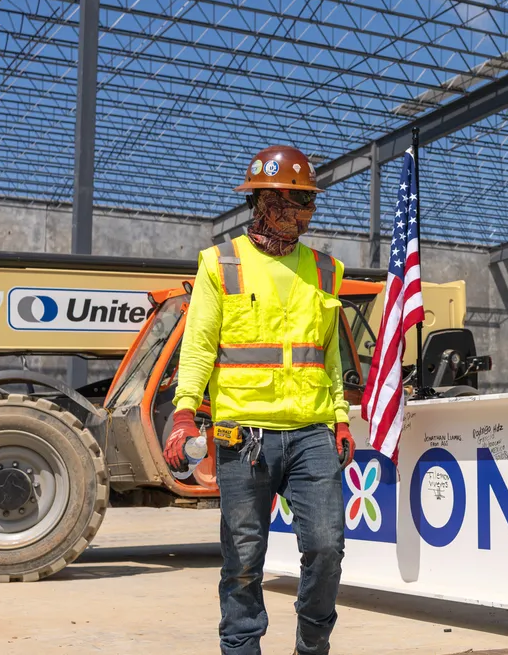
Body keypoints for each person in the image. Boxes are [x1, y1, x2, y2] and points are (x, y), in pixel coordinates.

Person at [164, 145, 357, 655]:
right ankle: (242, 648)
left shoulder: (324, 269)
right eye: (298, 201)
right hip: (243, 436)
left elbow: (329, 354)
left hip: (313, 433)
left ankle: (312, 646)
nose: (307, 213)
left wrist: (339, 416)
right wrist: (185, 412)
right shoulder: (220, 263)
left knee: (325, 547)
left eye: (309, 202)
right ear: (267, 202)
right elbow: (199, 344)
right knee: (245, 558)